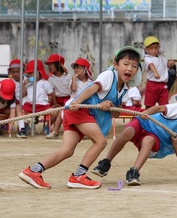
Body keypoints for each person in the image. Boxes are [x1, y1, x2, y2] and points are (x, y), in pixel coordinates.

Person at [18, 46, 142, 189]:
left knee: (67, 150)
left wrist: (110, 104)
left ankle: (33, 171)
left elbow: (116, 113)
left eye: (134, 66)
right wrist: (76, 103)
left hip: (80, 113)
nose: (129, 69)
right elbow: (92, 88)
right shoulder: (109, 75)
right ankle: (78, 176)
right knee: (101, 142)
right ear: (116, 65)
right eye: (125, 64)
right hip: (79, 110)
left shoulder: (126, 89)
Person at [91, 92, 177, 186]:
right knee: (127, 131)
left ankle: (134, 172)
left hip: (156, 140)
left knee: (148, 141)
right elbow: (159, 108)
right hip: (146, 123)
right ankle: (106, 162)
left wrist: (175, 144)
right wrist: (146, 113)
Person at [21, 60, 55, 136]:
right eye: (29, 74)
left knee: (55, 112)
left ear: (39, 72)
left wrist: (48, 104)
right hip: (29, 105)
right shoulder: (28, 84)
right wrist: (23, 85)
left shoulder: (45, 83)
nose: (30, 75)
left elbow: (50, 94)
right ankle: (25, 126)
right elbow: (23, 95)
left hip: (43, 105)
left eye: (32, 73)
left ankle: (47, 126)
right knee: (20, 110)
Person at [45, 53, 72, 139]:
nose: (49, 66)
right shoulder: (51, 79)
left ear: (58, 65)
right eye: (48, 65)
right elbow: (52, 92)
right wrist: (55, 103)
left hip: (67, 99)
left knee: (65, 112)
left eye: (51, 64)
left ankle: (60, 129)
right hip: (56, 99)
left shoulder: (68, 77)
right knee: (55, 112)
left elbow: (71, 91)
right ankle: (47, 126)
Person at [143, 36, 169, 109]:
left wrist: (170, 64)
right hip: (152, 84)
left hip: (163, 84)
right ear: (146, 49)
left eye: (156, 47)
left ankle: (163, 119)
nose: (154, 50)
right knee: (149, 105)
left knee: (164, 105)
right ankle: (147, 119)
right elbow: (151, 65)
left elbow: (166, 65)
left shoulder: (162, 57)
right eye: (151, 48)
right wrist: (155, 72)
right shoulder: (147, 58)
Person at [7, 59, 27, 138]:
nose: (15, 74)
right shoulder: (10, 81)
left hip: (25, 101)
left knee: (18, 107)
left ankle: (22, 128)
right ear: (10, 72)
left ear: (23, 71)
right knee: (17, 107)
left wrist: (23, 85)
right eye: (13, 72)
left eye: (18, 72)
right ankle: (22, 129)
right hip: (14, 102)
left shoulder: (26, 80)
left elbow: (24, 94)